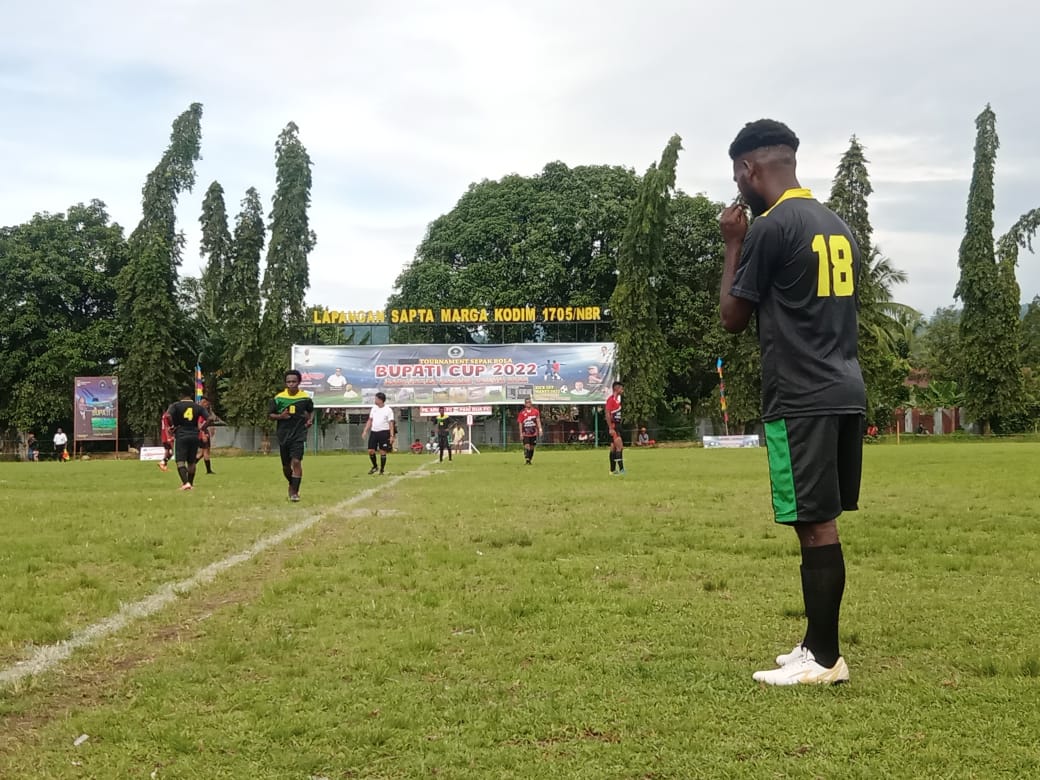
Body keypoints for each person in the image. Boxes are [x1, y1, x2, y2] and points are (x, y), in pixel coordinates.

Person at [719, 118, 865, 686]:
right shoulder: (836, 224)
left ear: (748, 168)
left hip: (801, 396)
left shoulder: (771, 227)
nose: (739, 187)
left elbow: (733, 318)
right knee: (820, 520)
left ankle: (824, 658)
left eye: (738, 176)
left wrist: (733, 243)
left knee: (814, 525)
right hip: (844, 388)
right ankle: (813, 643)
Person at [268, 370, 314, 501]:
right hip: (283, 435)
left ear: (299, 382)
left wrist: (309, 420)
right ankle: (292, 483)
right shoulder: (278, 398)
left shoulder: (305, 398)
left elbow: (310, 411)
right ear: (285, 383)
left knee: (296, 461)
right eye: (288, 382)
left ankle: (294, 492)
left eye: (294, 381)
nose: (291, 384)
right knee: (286, 466)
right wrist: (280, 416)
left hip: (299, 434)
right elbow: (270, 415)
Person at [165, 392, 209, 491]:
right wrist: (202, 428)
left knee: (180, 461)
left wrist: (172, 426)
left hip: (181, 434)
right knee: (191, 461)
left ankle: (186, 483)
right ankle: (190, 483)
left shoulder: (176, 405)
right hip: (194, 435)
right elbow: (210, 418)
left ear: (181, 396)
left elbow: (168, 415)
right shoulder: (198, 407)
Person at [361, 391, 395, 475]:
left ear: (381, 400)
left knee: (382, 451)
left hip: (384, 432)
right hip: (374, 432)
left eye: (376, 399)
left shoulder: (388, 410)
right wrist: (365, 430)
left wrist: (391, 435)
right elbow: (370, 420)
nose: (375, 400)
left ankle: (382, 470)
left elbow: (391, 423)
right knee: (370, 450)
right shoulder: (374, 408)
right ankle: (375, 466)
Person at [196, 397, 222, 475]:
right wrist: (203, 433)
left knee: (202, 453)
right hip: (202, 433)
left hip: (204, 432)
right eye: (203, 402)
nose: (205, 404)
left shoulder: (205, 412)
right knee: (206, 451)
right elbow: (199, 425)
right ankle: (208, 470)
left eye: (206, 402)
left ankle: (190, 466)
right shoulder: (200, 413)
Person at [604, 381, 624, 475]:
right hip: (613, 426)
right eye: (621, 388)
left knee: (613, 448)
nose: (622, 390)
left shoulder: (617, 401)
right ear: (616, 389)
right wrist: (610, 428)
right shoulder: (611, 400)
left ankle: (612, 470)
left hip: (617, 425)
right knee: (620, 447)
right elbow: (607, 414)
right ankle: (622, 470)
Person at [516, 397, 543, 465]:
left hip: (533, 432)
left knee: (532, 447)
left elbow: (538, 420)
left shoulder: (535, 411)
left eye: (529, 402)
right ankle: (527, 459)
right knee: (527, 446)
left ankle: (530, 459)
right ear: (525, 404)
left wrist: (540, 429)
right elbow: (520, 423)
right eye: (527, 402)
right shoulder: (522, 413)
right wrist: (521, 433)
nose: (528, 403)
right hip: (525, 433)